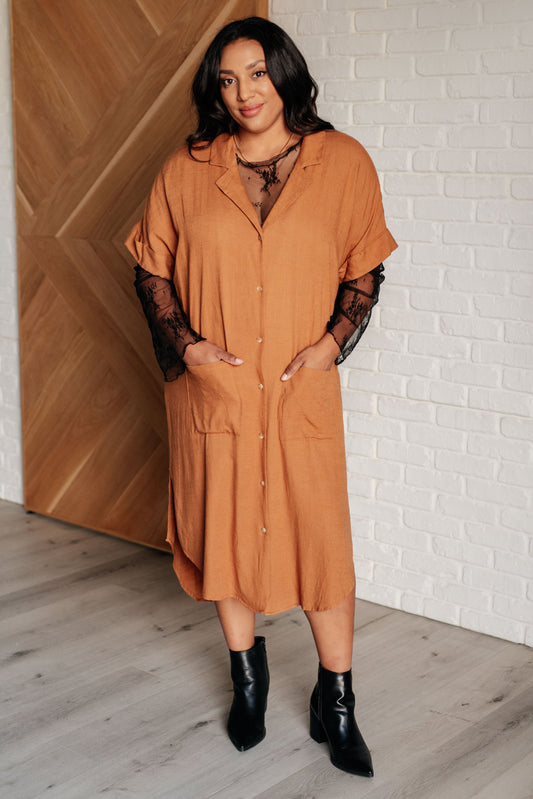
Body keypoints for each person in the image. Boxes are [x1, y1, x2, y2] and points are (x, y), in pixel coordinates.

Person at [125, 16, 397, 778]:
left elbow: (364, 267)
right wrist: (188, 347)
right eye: (226, 79)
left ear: (284, 72)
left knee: (320, 545)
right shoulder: (187, 168)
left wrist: (329, 344)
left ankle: (335, 700)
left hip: (297, 391)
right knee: (226, 533)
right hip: (217, 393)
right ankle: (248, 678)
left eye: (255, 73)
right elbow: (150, 267)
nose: (243, 92)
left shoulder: (343, 161)